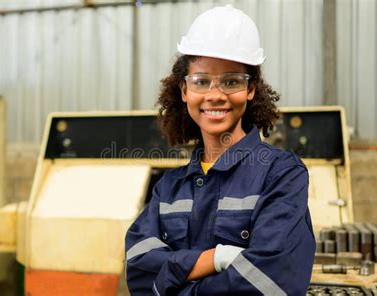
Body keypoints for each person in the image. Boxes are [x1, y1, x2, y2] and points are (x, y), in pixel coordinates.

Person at [125, 5, 315, 295]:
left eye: (231, 81)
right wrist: (217, 258)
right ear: (184, 90)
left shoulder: (281, 175)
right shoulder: (169, 188)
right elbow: (139, 269)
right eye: (201, 81)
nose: (215, 95)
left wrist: (177, 282)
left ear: (250, 89)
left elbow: (274, 281)